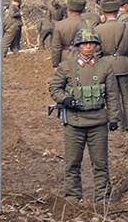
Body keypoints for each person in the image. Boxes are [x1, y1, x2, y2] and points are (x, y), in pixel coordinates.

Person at [49, 28, 120, 202]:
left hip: (98, 122)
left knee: (101, 163)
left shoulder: (105, 66)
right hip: (74, 122)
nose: (88, 47)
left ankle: (102, 198)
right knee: (72, 162)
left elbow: (112, 94)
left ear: (96, 45)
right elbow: (54, 88)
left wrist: (113, 118)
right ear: (78, 46)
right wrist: (66, 99)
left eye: (92, 44)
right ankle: (73, 197)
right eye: (84, 44)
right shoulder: (67, 66)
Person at [95, 0, 128, 131]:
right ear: (117, 10)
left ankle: (118, 126)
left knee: (112, 98)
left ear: (103, 12)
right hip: (126, 65)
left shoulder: (98, 30)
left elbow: (97, 53)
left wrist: (98, 68)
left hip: (107, 67)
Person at [50, 0, 86, 67]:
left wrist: (55, 64)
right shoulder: (86, 24)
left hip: (65, 58)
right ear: (83, 9)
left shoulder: (59, 25)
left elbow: (56, 47)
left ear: (68, 9)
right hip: (83, 58)